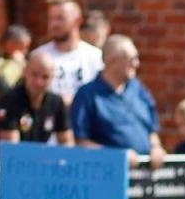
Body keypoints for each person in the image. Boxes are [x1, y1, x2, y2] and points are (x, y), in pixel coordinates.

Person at [70, 35, 168, 169]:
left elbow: (151, 128)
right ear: (112, 61)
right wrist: (117, 156)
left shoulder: (138, 89)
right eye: (131, 59)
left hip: (145, 176)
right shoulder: (87, 95)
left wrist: (156, 147)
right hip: (109, 176)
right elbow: (81, 143)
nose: (136, 64)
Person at [0, 48, 73, 160]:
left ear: (52, 78)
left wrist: (65, 162)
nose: (38, 82)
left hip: (33, 165)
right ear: (24, 72)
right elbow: (12, 149)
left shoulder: (56, 102)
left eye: (45, 77)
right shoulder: (10, 100)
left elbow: (66, 141)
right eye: (34, 75)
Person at [35, 0, 105, 104]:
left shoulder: (95, 57)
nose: (54, 24)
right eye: (51, 18)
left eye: (60, 18)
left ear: (78, 20)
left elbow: (103, 97)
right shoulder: (38, 57)